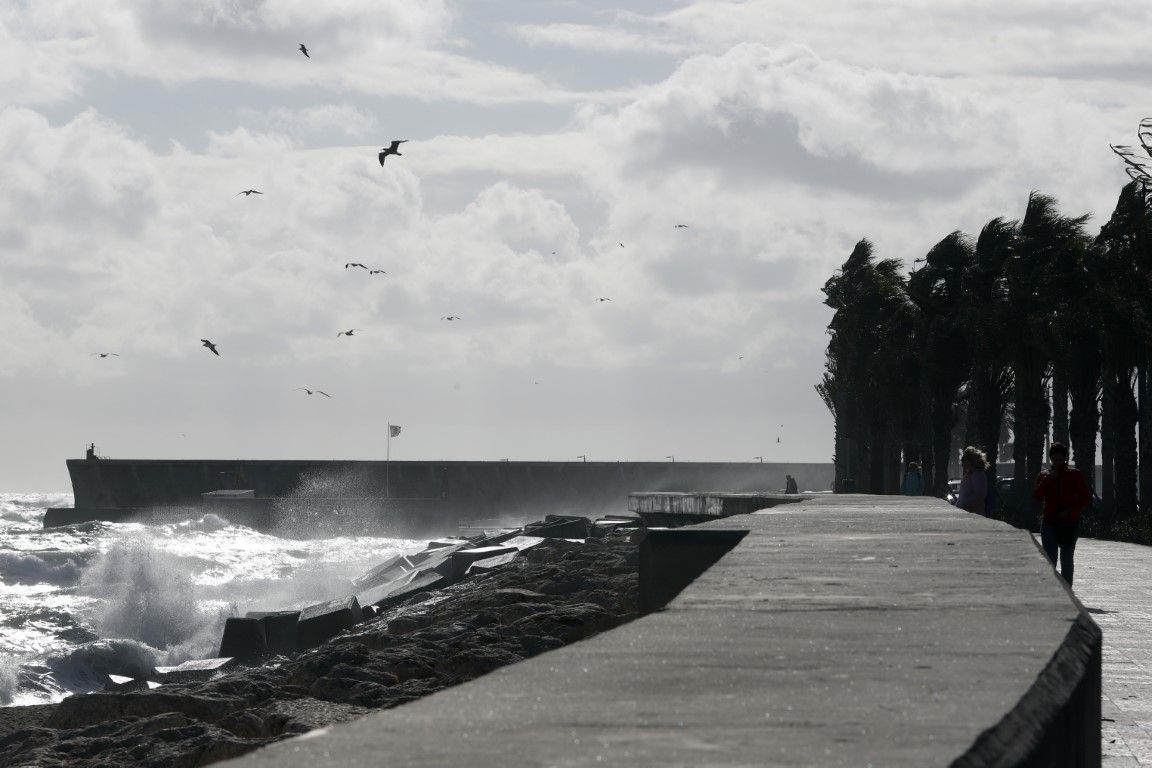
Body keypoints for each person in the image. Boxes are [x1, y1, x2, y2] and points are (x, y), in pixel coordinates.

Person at [1032, 442, 1090, 586]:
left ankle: (1067, 591)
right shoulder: (1044, 475)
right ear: (1051, 459)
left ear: (1065, 459)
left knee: (1067, 559)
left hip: (1069, 523)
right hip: (1049, 522)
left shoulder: (1074, 474)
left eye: (1060, 459)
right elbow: (1037, 496)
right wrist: (1048, 479)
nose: (1057, 462)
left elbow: (1085, 498)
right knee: (1050, 559)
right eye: (1054, 459)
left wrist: (1071, 512)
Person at [956, 446, 989, 515]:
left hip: (974, 514)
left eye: (963, 460)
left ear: (969, 461)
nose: (962, 464)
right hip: (968, 513)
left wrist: (962, 504)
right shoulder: (971, 474)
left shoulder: (977, 474)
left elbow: (979, 496)